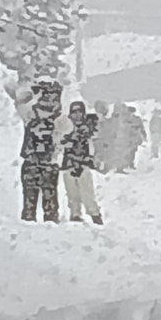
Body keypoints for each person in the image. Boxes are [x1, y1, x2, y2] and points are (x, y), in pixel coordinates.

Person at [20, 82, 62, 222]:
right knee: (31, 198)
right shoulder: (31, 115)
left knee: (46, 196)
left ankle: (47, 220)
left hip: (46, 162)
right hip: (34, 161)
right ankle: (34, 220)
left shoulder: (58, 119)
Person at [61, 101, 103, 225]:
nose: (77, 114)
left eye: (79, 111)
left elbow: (96, 139)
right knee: (72, 193)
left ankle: (95, 215)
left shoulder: (90, 125)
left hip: (84, 164)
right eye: (74, 111)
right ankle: (75, 215)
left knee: (87, 192)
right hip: (68, 163)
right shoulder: (65, 126)